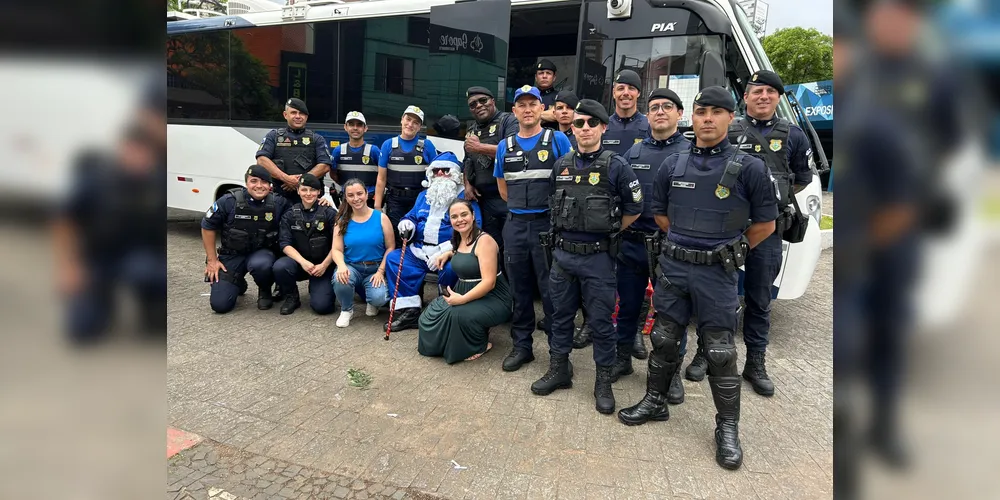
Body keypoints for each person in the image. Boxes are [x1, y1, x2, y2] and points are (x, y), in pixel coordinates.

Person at [617, 87, 778, 471]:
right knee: (664, 338)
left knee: (720, 351)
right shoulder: (672, 164)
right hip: (674, 267)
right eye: (701, 111)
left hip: (717, 274)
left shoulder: (750, 167)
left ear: (729, 118)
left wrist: (727, 250)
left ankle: (727, 428)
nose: (707, 118)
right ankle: (655, 403)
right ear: (693, 115)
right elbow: (660, 216)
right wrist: (687, 245)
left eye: (716, 112)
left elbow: (766, 224)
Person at [697, 69, 811, 396]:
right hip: (726, 227)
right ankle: (707, 352)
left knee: (759, 299)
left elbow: (799, 179)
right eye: (756, 91)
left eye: (770, 92)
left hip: (767, 229)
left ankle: (755, 361)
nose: (763, 96)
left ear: (778, 98)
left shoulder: (793, 135)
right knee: (717, 297)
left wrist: (766, 199)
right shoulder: (727, 129)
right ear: (744, 98)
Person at [530, 99, 642, 416]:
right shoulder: (561, 164)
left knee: (601, 324)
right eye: (579, 123)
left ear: (604, 127)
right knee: (560, 318)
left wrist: (608, 230)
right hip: (563, 257)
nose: (585, 128)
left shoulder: (616, 166)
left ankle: (603, 382)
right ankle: (559, 370)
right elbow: (553, 202)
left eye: (592, 123)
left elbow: (635, 209)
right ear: (573, 128)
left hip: (598, 259)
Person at [54, 114, 166, 344]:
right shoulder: (96, 180)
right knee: (82, 331)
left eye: (145, 153)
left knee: (149, 273)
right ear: (122, 148)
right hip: (96, 259)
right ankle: (103, 301)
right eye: (133, 150)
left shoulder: (156, 183)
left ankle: (151, 305)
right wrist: (70, 266)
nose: (139, 158)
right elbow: (65, 219)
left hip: (137, 257)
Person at [614, 88, 691, 402]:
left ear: (679, 114)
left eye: (667, 106)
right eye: (654, 106)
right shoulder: (633, 153)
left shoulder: (691, 152)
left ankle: (670, 374)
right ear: (647, 115)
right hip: (632, 244)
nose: (660, 111)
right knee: (628, 307)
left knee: (672, 315)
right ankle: (622, 359)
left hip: (671, 247)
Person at [495, 85, 574, 372]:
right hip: (515, 225)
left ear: (543, 109)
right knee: (520, 289)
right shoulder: (505, 146)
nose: (527, 109)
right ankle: (522, 347)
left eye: (533, 104)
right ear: (514, 111)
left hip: (547, 226)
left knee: (552, 291)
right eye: (522, 105)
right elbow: (503, 189)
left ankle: (558, 355)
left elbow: (570, 181)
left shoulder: (558, 140)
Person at [383, 152, 481, 333]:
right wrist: (407, 223)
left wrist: (446, 250)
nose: (441, 174)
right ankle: (410, 311)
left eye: (446, 170)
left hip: (450, 252)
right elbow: (411, 215)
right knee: (395, 259)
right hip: (419, 251)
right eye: (437, 171)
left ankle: (441, 309)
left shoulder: (464, 197)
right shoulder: (424, 195)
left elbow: (475, 228)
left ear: (454, 173)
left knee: (454, 268)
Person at [417, 199, 513, 364]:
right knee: (430, 314)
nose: (460, 220)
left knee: (458, 314)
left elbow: (489, 282)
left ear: (473, 215)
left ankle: (479, 344)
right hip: (465, 290)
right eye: (454, 216)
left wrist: (462, 299)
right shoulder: (458, 238)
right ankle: (451, 341)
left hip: (493, 296)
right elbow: (463, 255)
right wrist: (447, 254)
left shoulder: (485, 241)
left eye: (464, 214)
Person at [201, 165, 290, 313]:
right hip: (232, 255)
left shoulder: (278, 203)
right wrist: (212, 260)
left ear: (270, 185)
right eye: (254, 181)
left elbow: (299, 213)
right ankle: (237, 282)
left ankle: (265, 289)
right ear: (246, 183)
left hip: (261, 255)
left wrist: (322, 202)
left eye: (264, 182)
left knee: (262, 264)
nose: (259, 186)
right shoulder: (228, 201)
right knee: (220, 305)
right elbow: (207, 226)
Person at [462, 86, 519, 260]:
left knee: (512, 249)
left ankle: (512, 287)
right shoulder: (471, 129)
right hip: (484, 201)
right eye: (473, 104)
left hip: (508, 198)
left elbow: (514, 152)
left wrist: (480, 147)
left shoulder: (508, 121)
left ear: (492, 101)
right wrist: (467, 184)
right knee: (491, 249)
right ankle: (495, 285)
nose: (478, 105)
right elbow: (467, 161)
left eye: (483, 101)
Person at [272, 173, 339, 315]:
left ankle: (318, 288)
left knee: (323, 307)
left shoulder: (329, 213)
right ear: (298, 191)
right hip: (301, 264)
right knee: (280, 266)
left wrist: (324, 265)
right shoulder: (289, 214)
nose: (308, 194)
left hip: (323, 266)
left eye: (312, 190)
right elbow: (285, 243)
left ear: (319, 191)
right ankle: (292, 297)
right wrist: (303, 262)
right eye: (304, 190)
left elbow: (338, 245)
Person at [331, 179, 394, 327]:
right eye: (351, 195)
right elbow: (336, 249)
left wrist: (381, 272)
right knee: (340, 279)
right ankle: (347, 310)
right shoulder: (341, 220)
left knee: (379, 298)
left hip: (375, 269)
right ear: (346, 198)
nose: (356, 198)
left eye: (359, 193)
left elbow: (391, 247)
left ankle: (373, 302)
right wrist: (341, 266)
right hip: (352, 267)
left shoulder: (381, 218)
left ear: (366, 194)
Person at [375, 105, 439, 244]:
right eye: (408, 119)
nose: (410, 124)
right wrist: (377, 207)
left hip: (419, 200)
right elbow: (381, 178)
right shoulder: (388, 145)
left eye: (415, 122)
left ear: (420, 126)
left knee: (419, 235)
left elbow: (436, 177)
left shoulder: (427, 146)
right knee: (396, 238)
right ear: (401, 120)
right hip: (395, 201)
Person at [255, 98, 333, 205]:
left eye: (301, 113)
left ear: (306, 117)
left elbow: (325, 166)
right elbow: (261, 160)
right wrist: (286, 178)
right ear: (285, 115)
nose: (298, 116)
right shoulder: (273, 136)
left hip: (309, 200)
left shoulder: (317, 139)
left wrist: (300, 181)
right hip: (278, 199)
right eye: (293, 113)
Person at [330, 111, 381, 208]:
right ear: (345, 127)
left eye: (359, 125)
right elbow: (333, 174)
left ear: (365, 128)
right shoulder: (338, 151)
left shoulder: (374, 151)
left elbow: (383, 175)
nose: (355, 128)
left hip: (369, 201)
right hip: (347, 201)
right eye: (351, 124)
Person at [601, 69, 649, 156]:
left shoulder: (650, 126)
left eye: (631, 88)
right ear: (614, 93)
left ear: (638, 93)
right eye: (621, 88)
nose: (626, 93)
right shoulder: (602, 127)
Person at [534, 58, 560, 128]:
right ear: (536, 77)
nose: (544, 76)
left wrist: (532, 116)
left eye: (548, 73)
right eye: (541, 73)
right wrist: (545, 116)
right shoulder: (529, 96)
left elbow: (557, 115)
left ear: (554, 77)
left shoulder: (560, 96)